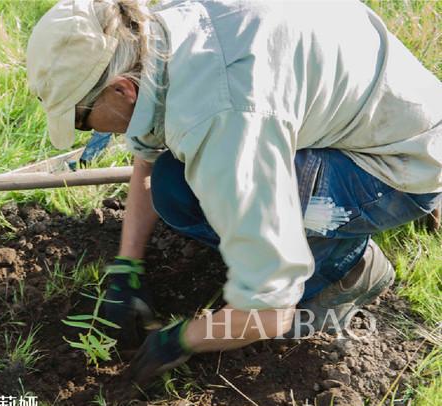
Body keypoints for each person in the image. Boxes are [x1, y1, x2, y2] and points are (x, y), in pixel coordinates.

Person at [26, 0, 442, 386]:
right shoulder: (157, 33)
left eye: (83, 119)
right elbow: (148, 158)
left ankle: (345, 268)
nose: (91, 130)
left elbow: (271, 309)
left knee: (198, 191)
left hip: (401, 166)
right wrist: (126, 268)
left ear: (123, 90)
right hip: (369, 103)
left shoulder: (223, 119)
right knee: (176, 182)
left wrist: (181, 339)